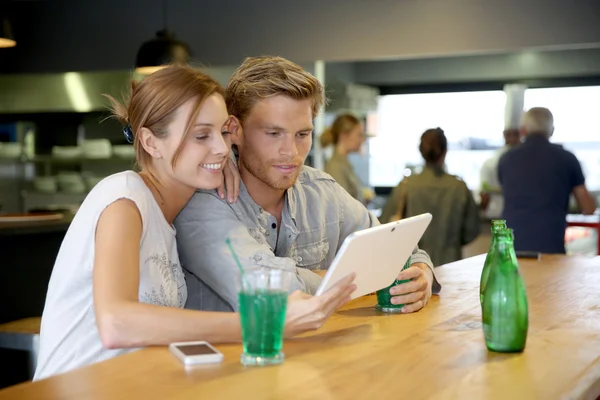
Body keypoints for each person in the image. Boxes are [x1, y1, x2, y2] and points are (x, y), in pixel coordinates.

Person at [34, 66, 356, 380]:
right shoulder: (124, 199)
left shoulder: (171, 213)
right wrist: (264, 322)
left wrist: (219, 164)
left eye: (222, 132)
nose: (220, 147)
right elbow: (117, 323)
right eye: (201, 135)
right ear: (150, 142)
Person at [175, 56, 440, 315]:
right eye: (273, 133)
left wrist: (422, 273)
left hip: (317, 355)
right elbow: (268, 290)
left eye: (303, 134)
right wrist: (357, 277)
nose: (291, 151)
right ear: (235, 130)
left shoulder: (323, 191)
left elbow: (398, 250)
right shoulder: (202, 202)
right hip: (232, 358)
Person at [498, 107, 596, 253]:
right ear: (552, 131)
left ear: (523, 130)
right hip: (550, 244)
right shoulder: (567, 158)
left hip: (510, 246)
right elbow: (588, 207)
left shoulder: (506, 159)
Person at [379, 128, 480, 266]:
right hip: (450, 263)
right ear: (445, 152)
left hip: (414, 266)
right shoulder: (459, 187)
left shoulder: (407, 186)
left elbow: (385, 224)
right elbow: (471, 230)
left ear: (421, 151)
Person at [321, 113, 374, 204]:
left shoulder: (344, 164)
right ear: (344, 135)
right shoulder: (335, 167)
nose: (362, 140)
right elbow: (341, 207)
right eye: (359, 135)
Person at [479, 128, 521, 219]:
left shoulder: (489, 163)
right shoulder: (490, 163)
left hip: (496, 217)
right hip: (505, 217)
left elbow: (483, 196)